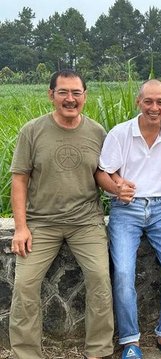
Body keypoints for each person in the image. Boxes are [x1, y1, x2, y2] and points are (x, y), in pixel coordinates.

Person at [9, 70, 114, 359]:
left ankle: (99, 351)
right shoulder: (32, 131)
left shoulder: (97, 132)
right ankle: (27, 353)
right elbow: (20, 179)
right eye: (63, 92)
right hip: (41, 222)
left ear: (85, 96)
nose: (70, 99)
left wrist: (119, 188)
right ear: (51, 94)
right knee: (25, 284)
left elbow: (101, 173)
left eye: (76, 93)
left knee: (100, 278)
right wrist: (21, 228)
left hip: (86, 222)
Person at [95, 79, 161, 359]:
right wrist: (116, 188)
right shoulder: (120, 133)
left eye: (160, 102)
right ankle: (130, 341)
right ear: (139, 102)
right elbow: (102, 173)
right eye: (148, 101)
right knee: (123, 271)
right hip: (126, 209)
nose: (154, 107)